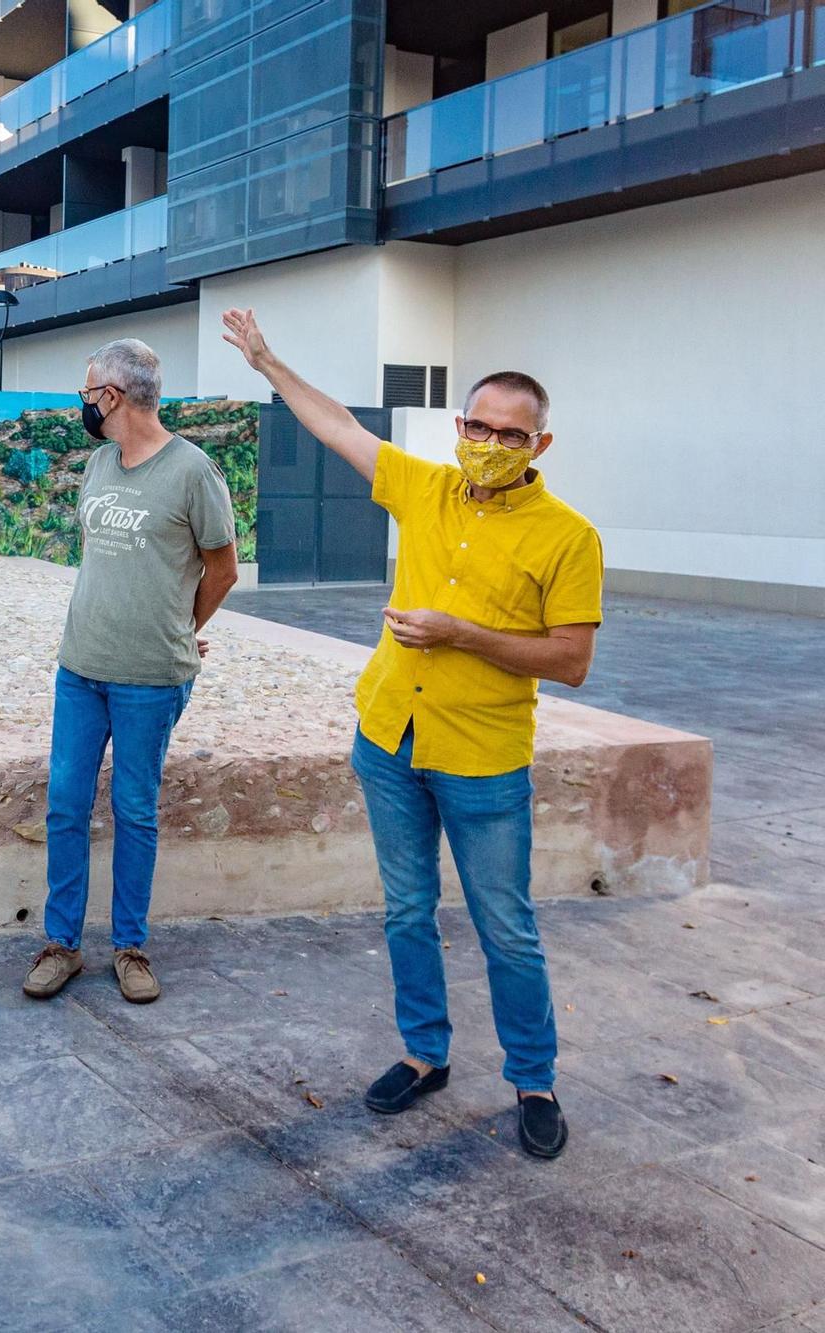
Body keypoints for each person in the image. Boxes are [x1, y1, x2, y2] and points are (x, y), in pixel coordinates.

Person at [221, 307, 602, 1160]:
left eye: (511, 434)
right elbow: (340, 428)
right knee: (406, 909)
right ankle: (425, 1052)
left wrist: (462, 634)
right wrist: (271, 364)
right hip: (390, 737)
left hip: (482, 759)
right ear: (459, 424)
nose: (489, 443)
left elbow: (572, 660)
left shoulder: (569, 538)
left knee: (506, 925)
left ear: (539, 445)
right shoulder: (426, 487)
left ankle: (533, 1079)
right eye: (478, 426)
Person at [24, 339, 239, 1005]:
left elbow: (222, 568)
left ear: (111, 398)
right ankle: (61, 943)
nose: (82, 404)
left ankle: (131, 947)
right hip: (80, 669)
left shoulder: (192, 471)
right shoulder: (98, 463)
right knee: (65, 805)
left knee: (134, 809)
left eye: (87, 393)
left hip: (150, 678)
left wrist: (180, 629)